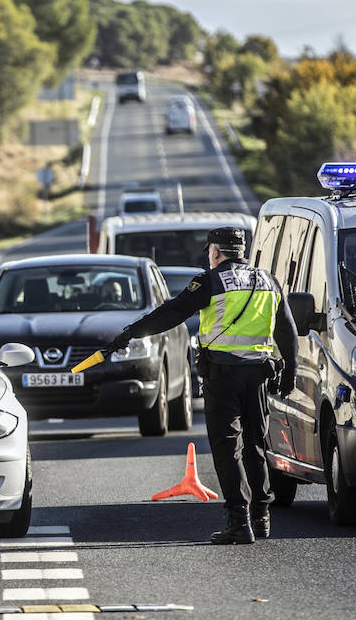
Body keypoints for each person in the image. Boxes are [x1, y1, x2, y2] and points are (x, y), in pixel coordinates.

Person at [104, 227, 297, 544]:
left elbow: (171, 314)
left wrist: (130, 333)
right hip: (258, 374)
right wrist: (289, 371)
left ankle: (239, 522)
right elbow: (287, 330)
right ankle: (262, 519)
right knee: (256, 445)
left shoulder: (210, 281)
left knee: (227, 448)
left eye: (210, 251)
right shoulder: (268, 280)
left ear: (216, 252)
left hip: (223, 375)